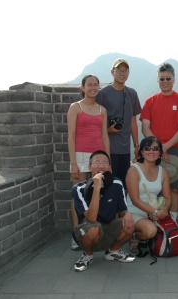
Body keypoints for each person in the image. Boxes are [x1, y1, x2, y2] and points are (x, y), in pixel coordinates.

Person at [140, 62, 178, 221]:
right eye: (162, 78)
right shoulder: (150, 101)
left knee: (175, 189)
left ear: (174, 79)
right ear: (157, 80)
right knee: (153, 187)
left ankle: (173, 221)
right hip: (152, 151)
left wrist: (165, 147)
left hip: (176, 149)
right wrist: (159, 149)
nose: (165, 81)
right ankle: (154, 220)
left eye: (168, 78)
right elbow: (145, 128)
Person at [72, 150, 135, 271]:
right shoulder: (79, 188)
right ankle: (87, 255)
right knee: (94, 227)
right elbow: (91, 219)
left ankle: (113, 251)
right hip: (87, 230)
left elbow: (122, 209)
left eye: (105, 162)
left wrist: (127, 214)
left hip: (108, 227)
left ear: (110, 168)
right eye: (97, 162)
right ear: (90, 167)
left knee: (128, 222)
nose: (101, 166)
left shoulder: (117, 183)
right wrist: (96, 188)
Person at [67, 74, 110, 250]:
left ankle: (94, 231)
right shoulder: (75, 108)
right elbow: (70, 136)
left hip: (98, 157)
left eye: (96, 85)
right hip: (80, 155)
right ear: (82, 87)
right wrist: (74, 163)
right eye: (89, 85)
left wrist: (108, 161)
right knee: (78, 194)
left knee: (96, 193)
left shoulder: (102, 110)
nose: (93, 87)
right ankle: (77, 233)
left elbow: (105, 136)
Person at [96, 58, 142, 187]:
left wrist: (136, 144)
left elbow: (133, 121)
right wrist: (108, 130)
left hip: (125, 149)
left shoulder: (132, 93)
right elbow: (95, 120)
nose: (122, 73)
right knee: (107, 185)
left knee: (122, 186)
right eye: (119, 70)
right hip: (107, 149)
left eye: (125, 71)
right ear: (112, 72)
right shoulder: (103, 93)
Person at [125, 136, 172, 252]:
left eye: (155, 148)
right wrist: (155, 212)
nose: (151, 151)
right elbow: (135, 200)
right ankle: (134, 237)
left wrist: (163, 211)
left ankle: (146, 236)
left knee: (169, 231)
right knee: (151, 231)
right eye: (147, 148)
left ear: (160, 152)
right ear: (142, 152)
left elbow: (168, 198)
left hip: (155, 213)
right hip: (134, 212)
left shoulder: (163, 172)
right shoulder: (133, 170)